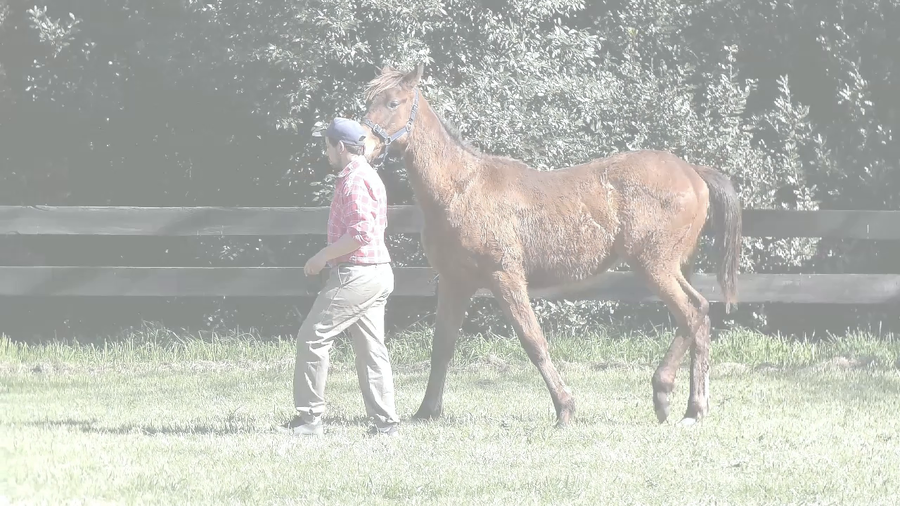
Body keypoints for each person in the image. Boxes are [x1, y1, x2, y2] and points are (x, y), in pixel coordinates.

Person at [278, 117, 399, 437]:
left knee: (312, 337)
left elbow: (360, 233)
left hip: (356, 274)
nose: (326, 152)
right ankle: (386, 424)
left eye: (328, 146)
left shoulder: (355, 180)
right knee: (371, 349)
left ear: (341, 147)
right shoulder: (366, 175)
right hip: (377, 273)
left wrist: (323, 256)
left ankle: (309, 419)